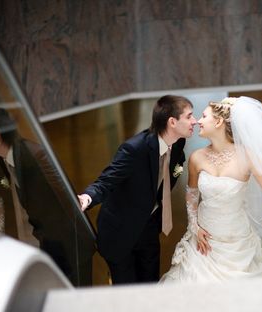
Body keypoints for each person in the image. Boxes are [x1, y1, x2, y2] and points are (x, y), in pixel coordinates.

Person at [160, 96, 262, 283]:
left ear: (218, 121)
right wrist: (194, 226)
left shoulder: (247, 156)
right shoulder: (197, 158)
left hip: (236, 242)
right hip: (204, 241)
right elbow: (192, 196)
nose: (198, 121)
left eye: (203, 116)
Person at [78, 95, 196, 285]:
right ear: (172, 122)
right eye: (189, 116)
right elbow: (107, 180)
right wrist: (87, 197)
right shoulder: (135, 149)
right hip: (120, 234)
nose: (195, 121)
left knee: (150, 285)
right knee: (127, 291)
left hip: (149, 227)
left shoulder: (178, 144)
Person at [0, 108, 94, 285]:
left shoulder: (34, 154)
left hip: (72, 247)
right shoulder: (4, 158)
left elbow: (66, 198)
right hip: (54, 246)